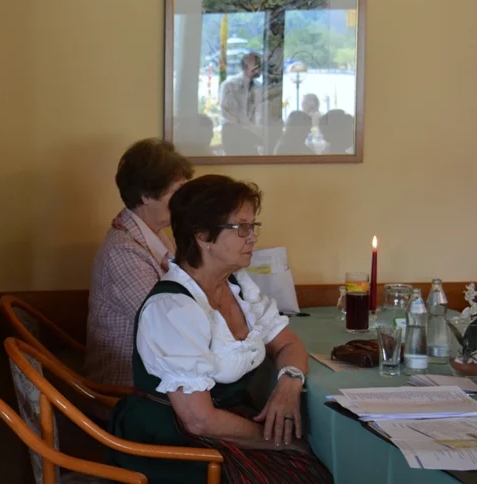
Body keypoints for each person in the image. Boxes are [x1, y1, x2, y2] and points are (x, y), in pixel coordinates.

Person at [108, 175, 332, 484]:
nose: (252, 238)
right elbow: (198, 420)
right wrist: (278, 441)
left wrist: (289, 383)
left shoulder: (239, 287)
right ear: (203, 236)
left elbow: (287, 343)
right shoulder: (173, 308)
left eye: (253, 226)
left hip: (219, 424)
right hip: (174, 442)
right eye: (242, 228)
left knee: (316, 467)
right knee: (308, 472)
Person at [85, 138, 194, 388]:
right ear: (146, 195)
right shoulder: (123, 252)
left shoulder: (156, 235)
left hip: (157, 373)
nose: (184, 201)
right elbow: (166, 325)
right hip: (127, 386)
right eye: (176, 192)